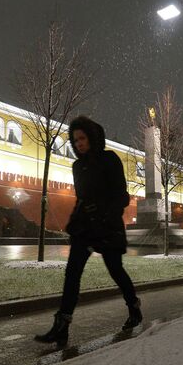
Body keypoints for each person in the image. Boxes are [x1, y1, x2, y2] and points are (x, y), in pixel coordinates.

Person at [34, 116, 142, 347]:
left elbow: (121, 196)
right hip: (84, 226)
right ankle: (62, 326)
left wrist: (104, 215)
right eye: (75, 140)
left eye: (82, 138)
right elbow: (81, 198)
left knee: (115, 270)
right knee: (72, 273)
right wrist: (76, 220)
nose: (79, 143)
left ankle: (133, 306)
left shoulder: (109, 159)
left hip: (107, 225)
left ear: (92, 137)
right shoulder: (77, 166)